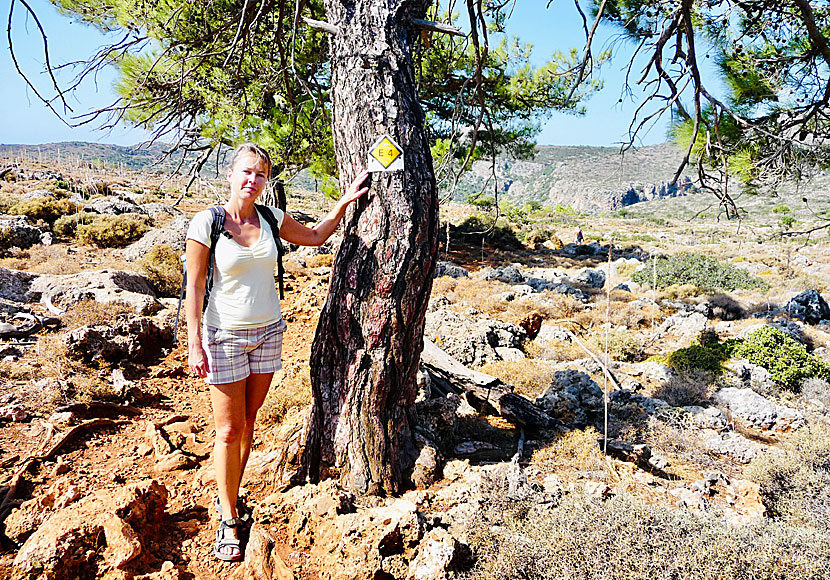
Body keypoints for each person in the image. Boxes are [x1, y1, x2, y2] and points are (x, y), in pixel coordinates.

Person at [185, 143, 369, 561]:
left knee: (249, 424)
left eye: (261, 174)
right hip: (224, 336)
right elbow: (194, 287)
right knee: (228, 430)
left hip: (269, 332)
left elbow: (317, 236)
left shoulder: (270, 217)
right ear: (230, 174)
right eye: (246, 172)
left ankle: (230, 491)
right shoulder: (208, 222)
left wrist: (343, 202)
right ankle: (228, 518)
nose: (253, 180)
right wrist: (194, 343)